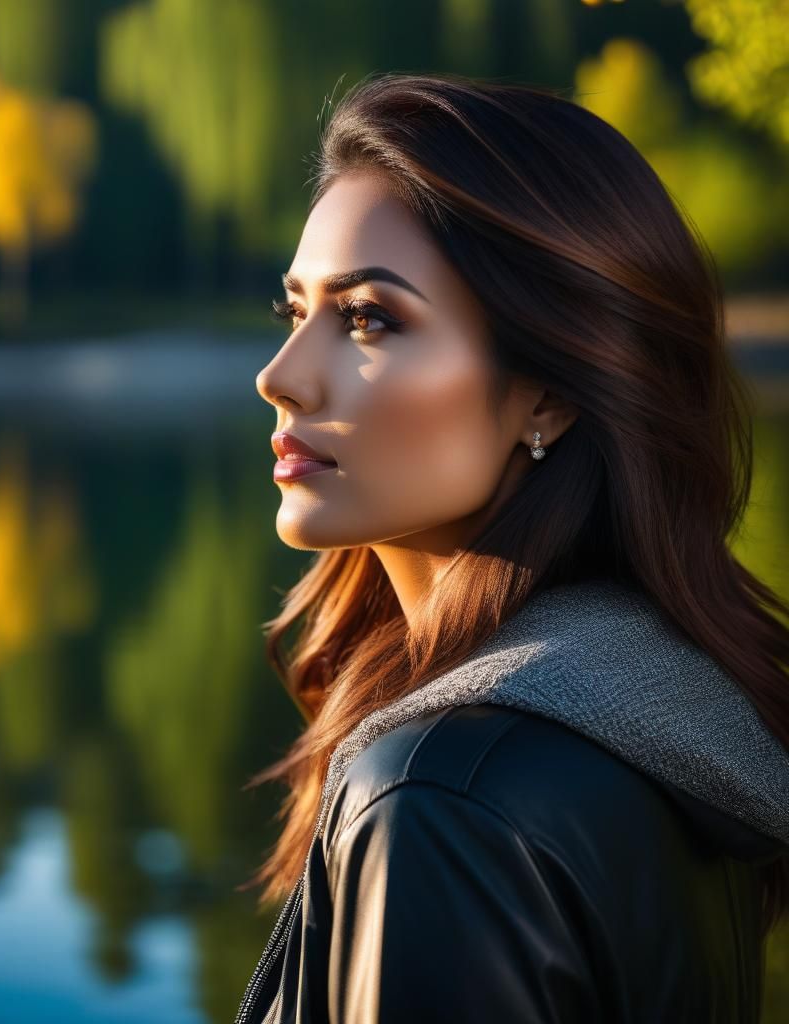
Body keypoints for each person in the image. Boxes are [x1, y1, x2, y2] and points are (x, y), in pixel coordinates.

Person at [237, 70, 789, 1024]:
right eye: (297, 312)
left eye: (368, 318)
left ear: (549, 392)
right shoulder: (668, 705)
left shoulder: (440, 802)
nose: (281, 377)